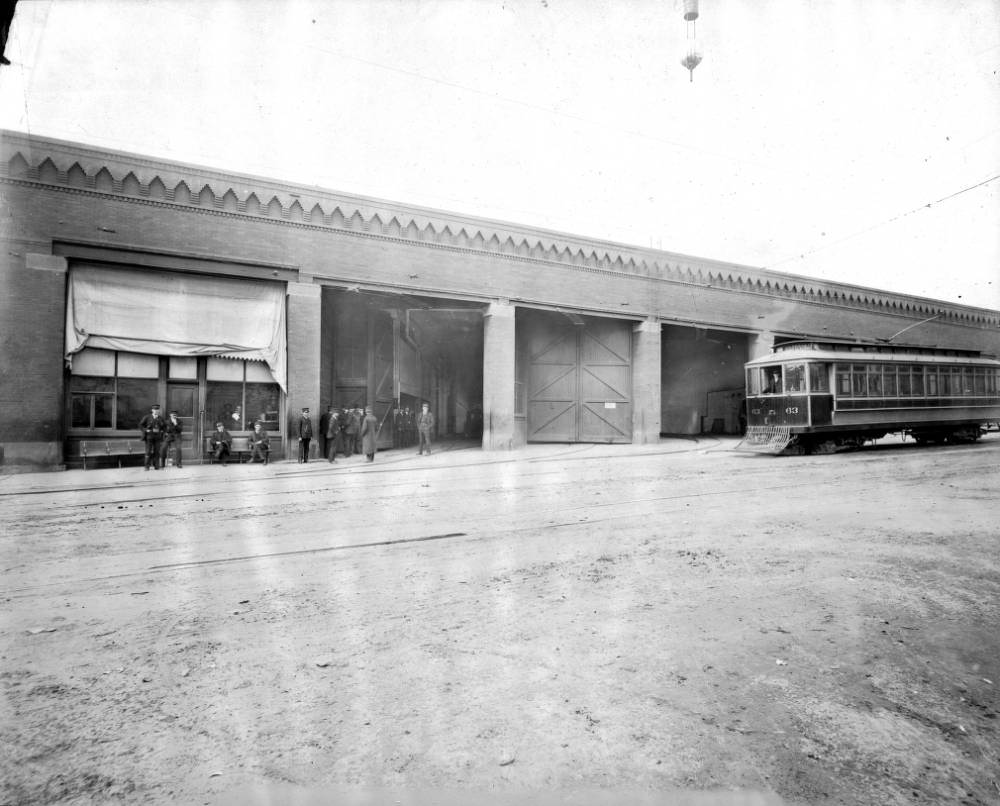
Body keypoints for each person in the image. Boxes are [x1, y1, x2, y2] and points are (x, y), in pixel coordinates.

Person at [138, 403, 166, 470]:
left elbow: (164, 427)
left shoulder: (161, 418)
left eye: (157, 409)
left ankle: (156, 466)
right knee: (148, 451)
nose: (156, 411)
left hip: (158, 438)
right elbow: (140, 425)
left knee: (157, 452)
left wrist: (162, 431)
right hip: (149, 437)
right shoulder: (147, 417)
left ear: (159, 411)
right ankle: (147, 466)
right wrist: (145, 430)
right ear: (152, 410)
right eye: (154, 409)